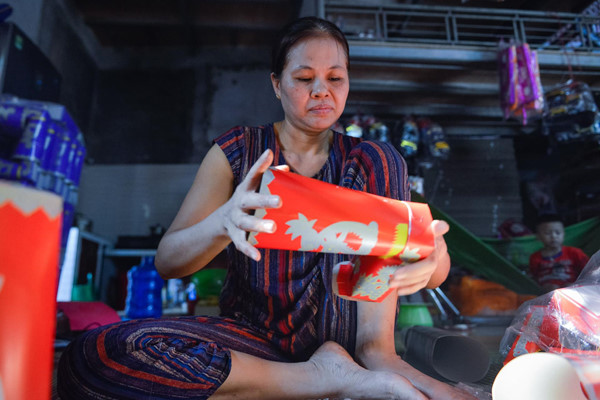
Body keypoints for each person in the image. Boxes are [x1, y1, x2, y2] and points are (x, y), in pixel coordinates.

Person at [58, 17, 474, 400]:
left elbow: (423, 268)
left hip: (361, 347)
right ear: (276, 84)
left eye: (335, 78)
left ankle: (365, 365)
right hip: (255, 344)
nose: (321, 91)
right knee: (94, 356)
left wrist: (432, 258)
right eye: (304, 78)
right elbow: (168, 262)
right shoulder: (238, 152)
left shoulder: (371, 162)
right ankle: (321, 379)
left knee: (384, 158)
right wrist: (222, 223)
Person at [529, 213, 589, 292]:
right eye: (548, 233)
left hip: (571, 290)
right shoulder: (535, 257)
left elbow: (589, 271)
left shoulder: (574, 253)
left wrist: (576, 285)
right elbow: (533, 278)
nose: (554, 236)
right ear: (538, 237)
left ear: (564, 234)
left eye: (558, 232)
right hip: (546, 292)